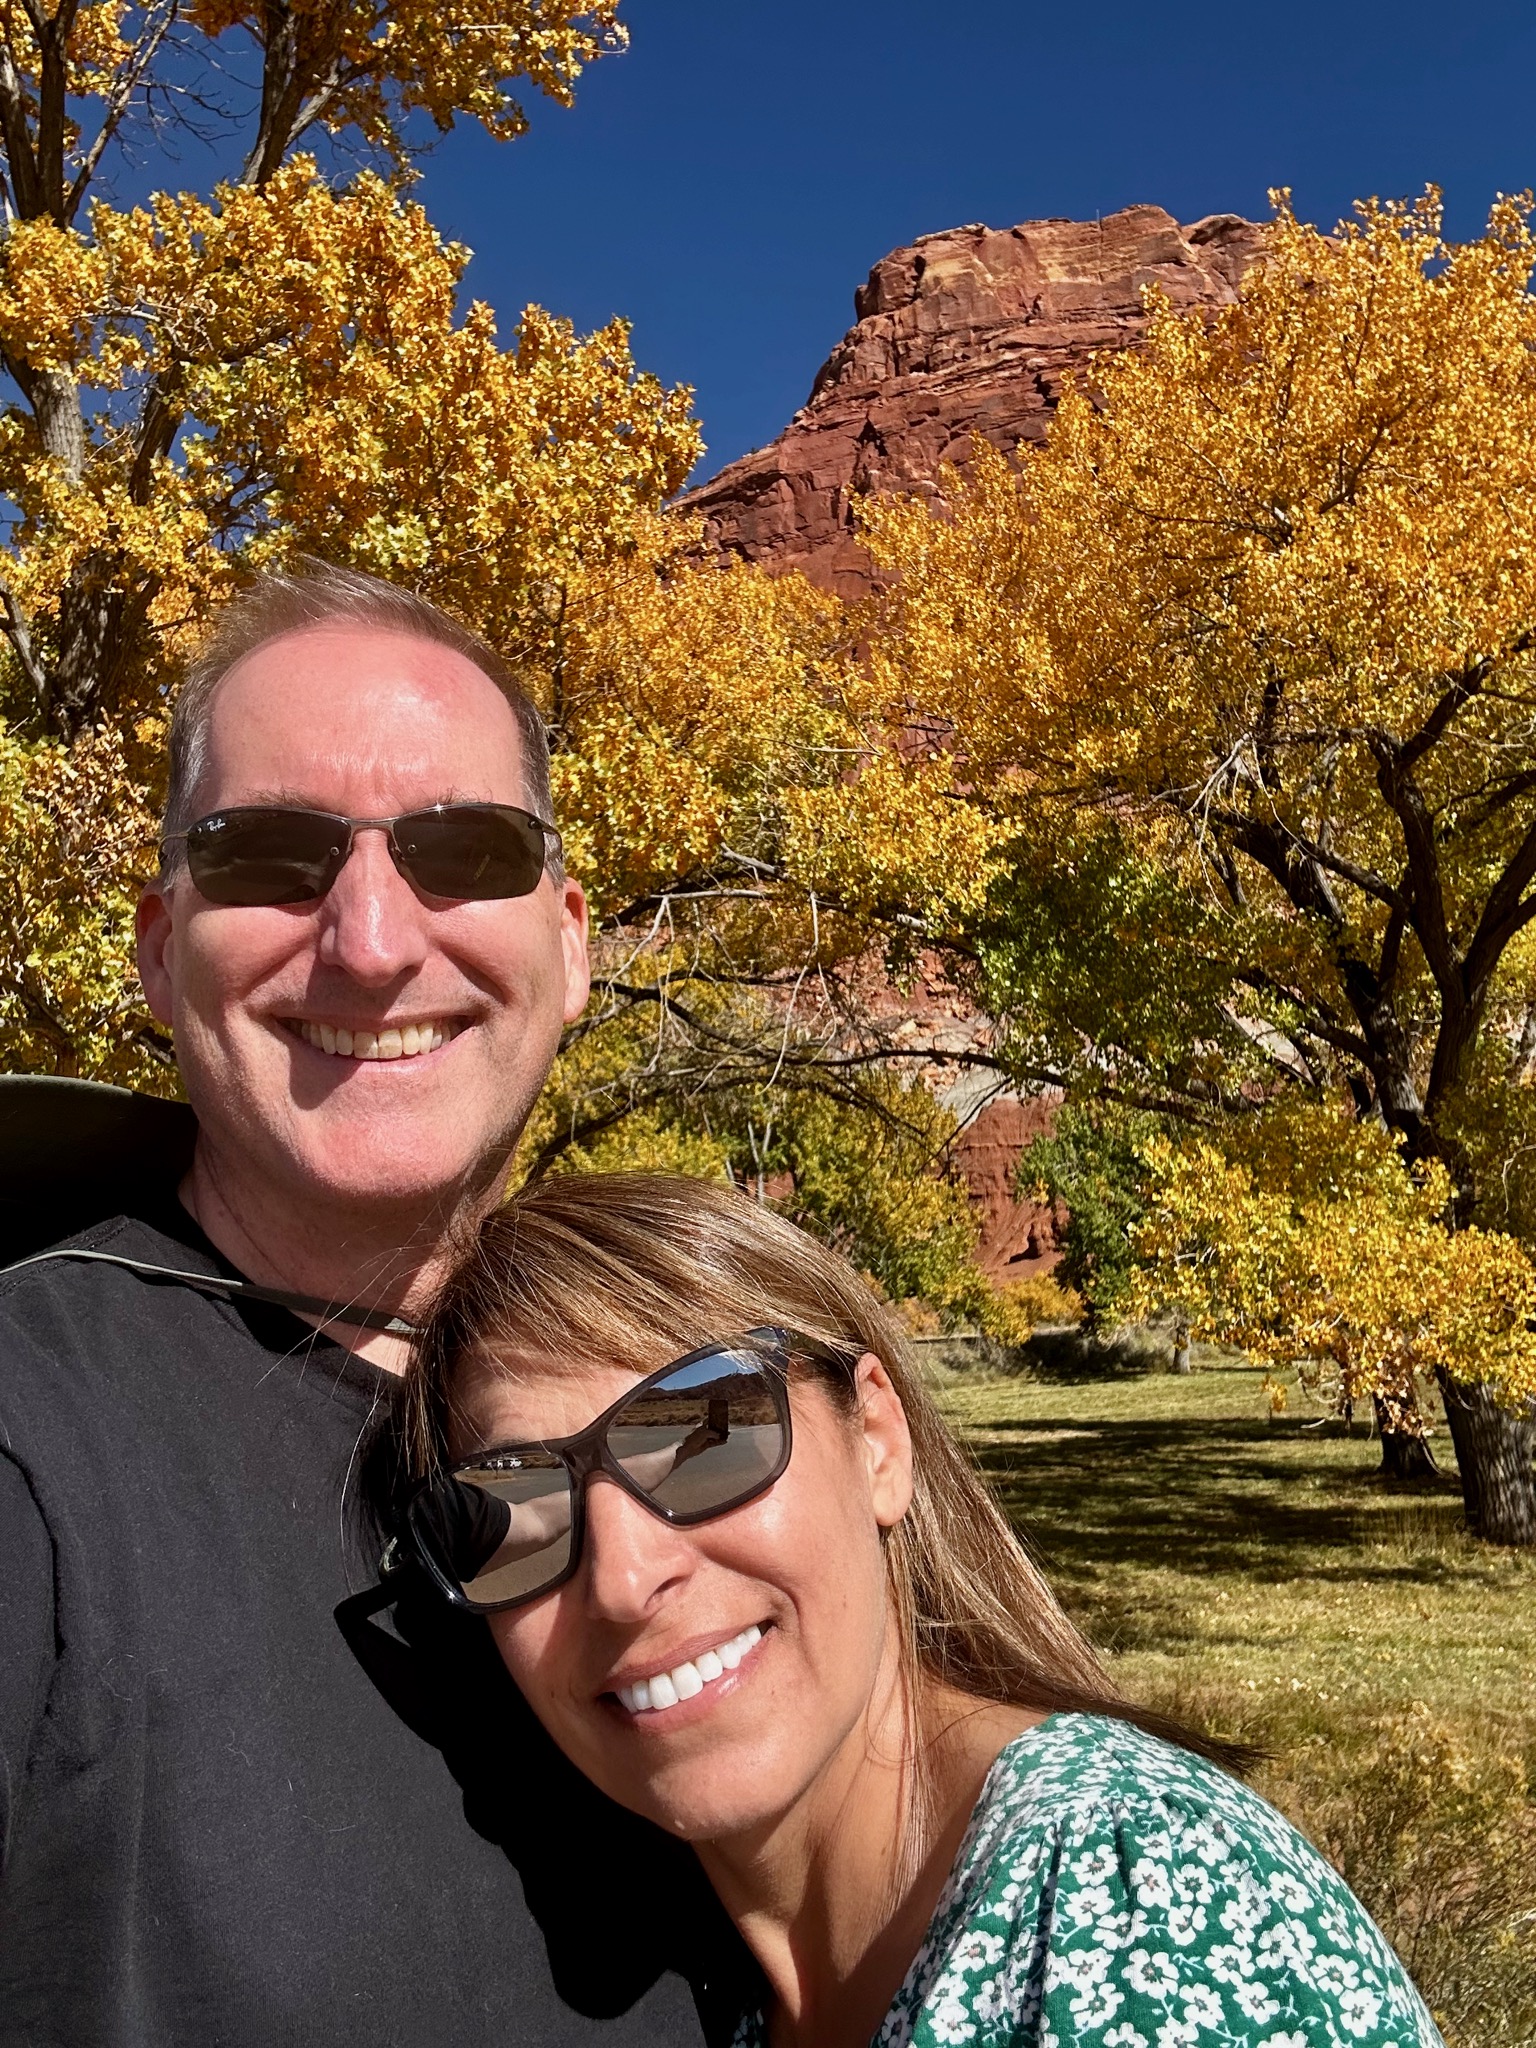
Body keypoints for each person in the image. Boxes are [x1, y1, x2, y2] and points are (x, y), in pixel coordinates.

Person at [0, 563, 740, 2046]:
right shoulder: (30, 1447)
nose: (374, 940)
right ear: (158, 950)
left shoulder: (698, 1396)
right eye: (271, 855)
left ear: (573, 942)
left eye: (462, 849)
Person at [376, 1171, 1447, 2048]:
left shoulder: (1141, 1913)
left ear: (877, 1442)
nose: (619, 1575)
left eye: (705, 1435)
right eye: (514, 1511)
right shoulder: (722, 1983)